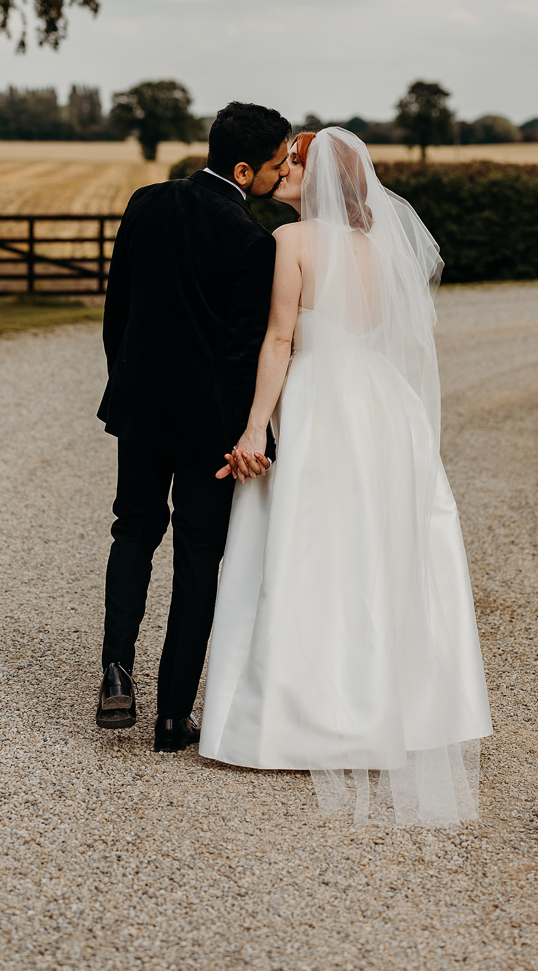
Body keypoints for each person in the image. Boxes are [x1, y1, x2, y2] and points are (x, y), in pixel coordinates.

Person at [199, 127, 492, 827]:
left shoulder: (290, 243)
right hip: (384, 406)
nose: (283, 173)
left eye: (293, 164)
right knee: (384, 547)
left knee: (308, 548)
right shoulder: (383, 250)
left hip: (320, 400)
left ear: (317, 176)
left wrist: (252, 429)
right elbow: (393, 336)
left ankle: (300, 718)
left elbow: (278, 340)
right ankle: (411, 709)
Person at [95, 101, 291, 752]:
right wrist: (246, 436)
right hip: (208, 430)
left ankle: (116, 672)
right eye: (273, 165)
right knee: (196, 561)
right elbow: (241, 354)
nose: (279, 174)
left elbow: (115, 311)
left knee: (133, 531)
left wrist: (127, 387)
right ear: (243, 167)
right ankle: (173, 717)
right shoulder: (251, 240)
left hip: (141, 409)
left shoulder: (146, 203)